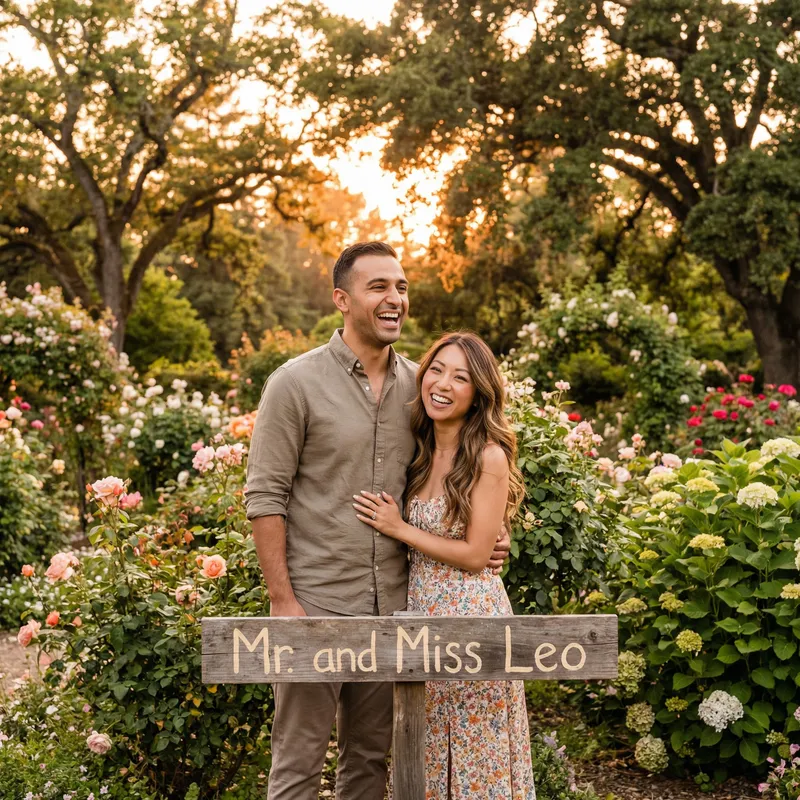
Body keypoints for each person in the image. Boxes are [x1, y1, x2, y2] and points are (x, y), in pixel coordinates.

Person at [244, 242, 510, 800]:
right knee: (297, 763)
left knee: (368, 762)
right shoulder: (294, 384)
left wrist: (491, 536)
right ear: (342, 299)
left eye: (402, 287)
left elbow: (461, 466)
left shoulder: (421, 388)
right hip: (316, 601)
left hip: (394, 607)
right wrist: (282, 601)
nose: (395, 299)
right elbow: (265, 496)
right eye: (379, 287)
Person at [352, 331, 537, 800]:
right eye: (436, 369)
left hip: (473, 615)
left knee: (477, 751)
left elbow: (478, 554)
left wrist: (400, 528)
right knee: (424, 744)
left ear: (478, 395)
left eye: (461, 377)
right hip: (420, 611)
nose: (443, 384)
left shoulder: (487, 457)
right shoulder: (419, 451)